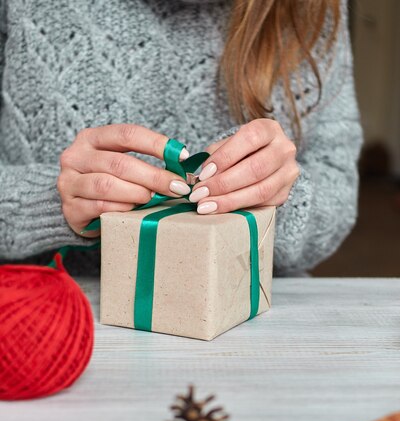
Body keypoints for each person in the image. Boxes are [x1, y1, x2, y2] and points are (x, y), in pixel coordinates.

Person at [0, 0, 362, 275]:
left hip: (254, 317)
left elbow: (338, 190)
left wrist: (279, 196)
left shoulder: (312, 8)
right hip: (50, 304)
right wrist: (50, 202)